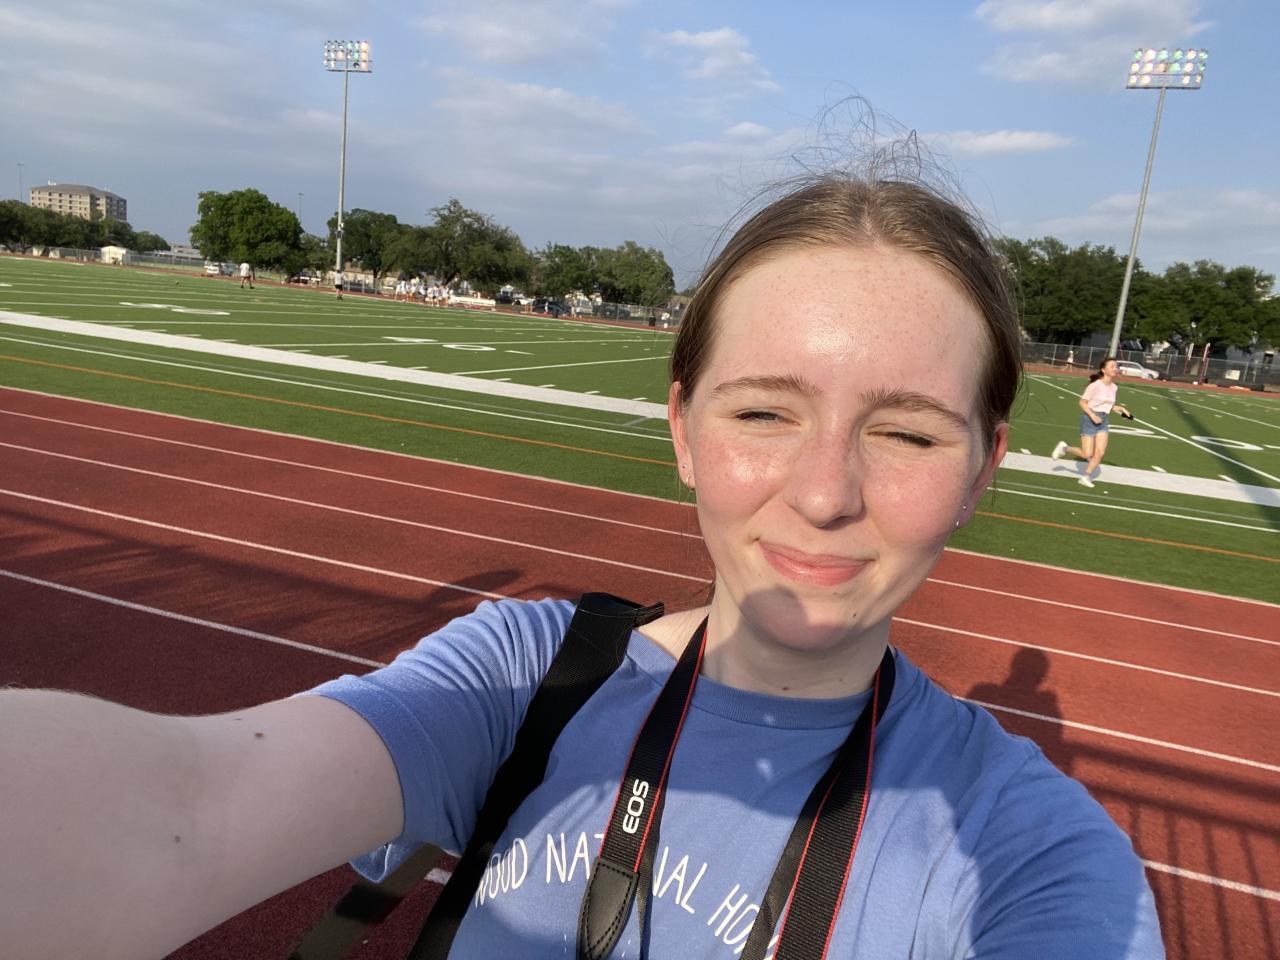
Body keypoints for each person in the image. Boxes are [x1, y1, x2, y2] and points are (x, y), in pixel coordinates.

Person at [1, 177, 1163, 960]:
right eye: (762, 412)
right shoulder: (524, 674)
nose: (823, 493)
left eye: (905, 432)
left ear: (980, 469)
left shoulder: (1024, 853)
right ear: (682, 430)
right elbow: (188, 808)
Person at [1051, 357, 1132, 487]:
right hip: (1089, 419)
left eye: (1116, 366)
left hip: (1103, 420)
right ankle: (1064, 448)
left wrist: (1121, 409)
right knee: (1087, 454)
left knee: (1100, 452)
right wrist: (1093, 415)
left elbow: (1107, 405)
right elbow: (1082, 402)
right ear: (1103, 370)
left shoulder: (1114, 387)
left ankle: (1085, 477)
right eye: (1112, 366)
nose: (1115, 369)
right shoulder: (1095, 385)